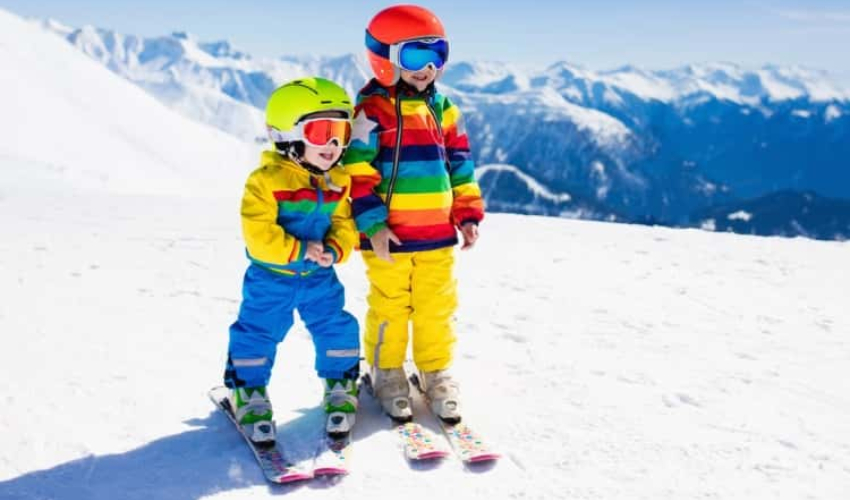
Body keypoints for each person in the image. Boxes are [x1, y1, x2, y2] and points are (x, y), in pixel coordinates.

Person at [343, 4, 485, 423]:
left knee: (435, 307)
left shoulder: (444, 109)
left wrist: (467, 213)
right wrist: (371, 223)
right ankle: (387, 373)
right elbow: (357, 169)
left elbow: (460, 165)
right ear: (384, 58)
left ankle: (435, 371)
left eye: (436, 55)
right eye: (413, 56)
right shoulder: (373, 109)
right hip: (389, 236)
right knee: (390, 306)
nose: (426, 68)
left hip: (437, 235)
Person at [223, 77, 360, 444]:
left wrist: (334, 249)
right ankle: (247, 392)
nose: (333, 144)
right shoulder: (264, 183)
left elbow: (345, 224)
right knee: (257, 333)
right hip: (272, 278)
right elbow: (258, 235)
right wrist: (300, 249)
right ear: (287, 136)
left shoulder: (338, 181)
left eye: (341, 132)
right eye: (321, 132)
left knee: (337, 327)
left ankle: (340, 385)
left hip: (319, 278)